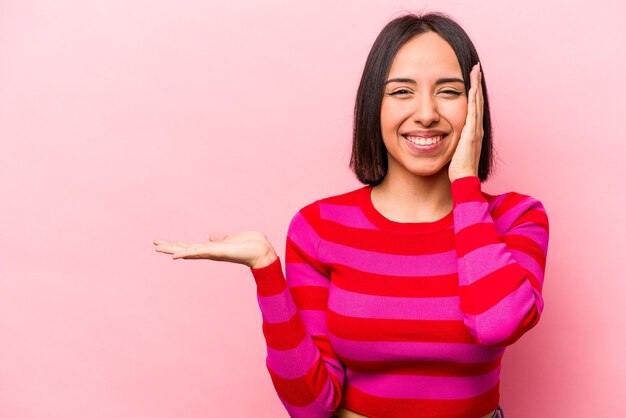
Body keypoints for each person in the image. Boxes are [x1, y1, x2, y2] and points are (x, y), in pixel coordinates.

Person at [153, 11, 549, 418]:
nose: (427, 113)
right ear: (372, 106)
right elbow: (310, 406)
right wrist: (267, 270)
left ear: (475, 104)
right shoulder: (319, 228)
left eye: (448, 91)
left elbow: (497, 323)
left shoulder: (517, 218)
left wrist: (465, 181)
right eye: (401, 92)